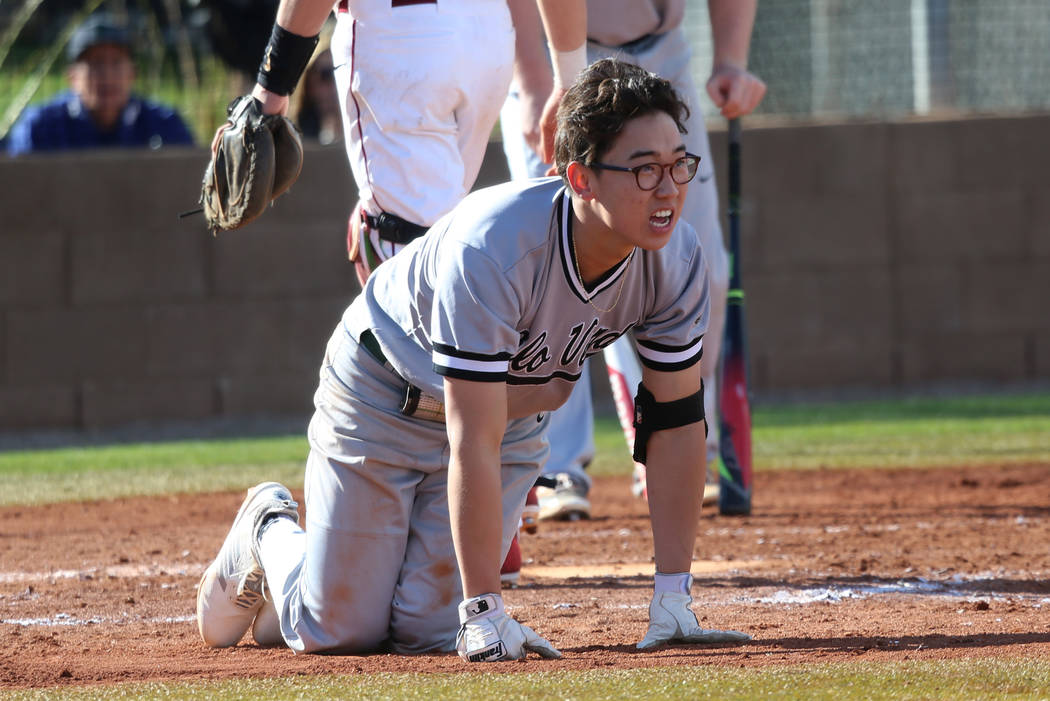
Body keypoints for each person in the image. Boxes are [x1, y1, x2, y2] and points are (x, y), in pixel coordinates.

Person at [196, 57, 751, 660]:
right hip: (384, 399)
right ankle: (268, 526)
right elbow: (470, 438)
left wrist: (673, 597)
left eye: (678, 165)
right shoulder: (494, 246)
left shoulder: (677, 260)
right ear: (580, 179)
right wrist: (485, 610)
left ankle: (314, 596)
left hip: (508, 424)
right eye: (645, 170)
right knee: (343, 634)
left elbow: (673, 423)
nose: (669, 188)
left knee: (422, 633)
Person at [231, 0, 585, 585]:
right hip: (485, 39)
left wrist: (270, 88)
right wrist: (567, 76)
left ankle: (473, 500)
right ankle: (495, 497)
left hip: (401, 34)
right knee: (445, 236)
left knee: (408, 244)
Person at [500, 0, 767, 521]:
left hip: (660, 54)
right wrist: (539, 79)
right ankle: (555, 467)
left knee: (701, 267)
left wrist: (730, 59)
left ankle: (677, 442)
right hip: (554, 55)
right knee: (552, 271)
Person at [5, 14, 195, 156]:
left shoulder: (164, 125)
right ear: (73, 77)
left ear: (132, 73)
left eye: (116, 62)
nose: (107, 75)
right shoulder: (41, 127)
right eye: (96, 63)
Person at [286, 25, 342, 145]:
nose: (335, 86)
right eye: (326, 75)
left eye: (341, 75)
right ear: (309, 83)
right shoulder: (292, 139)